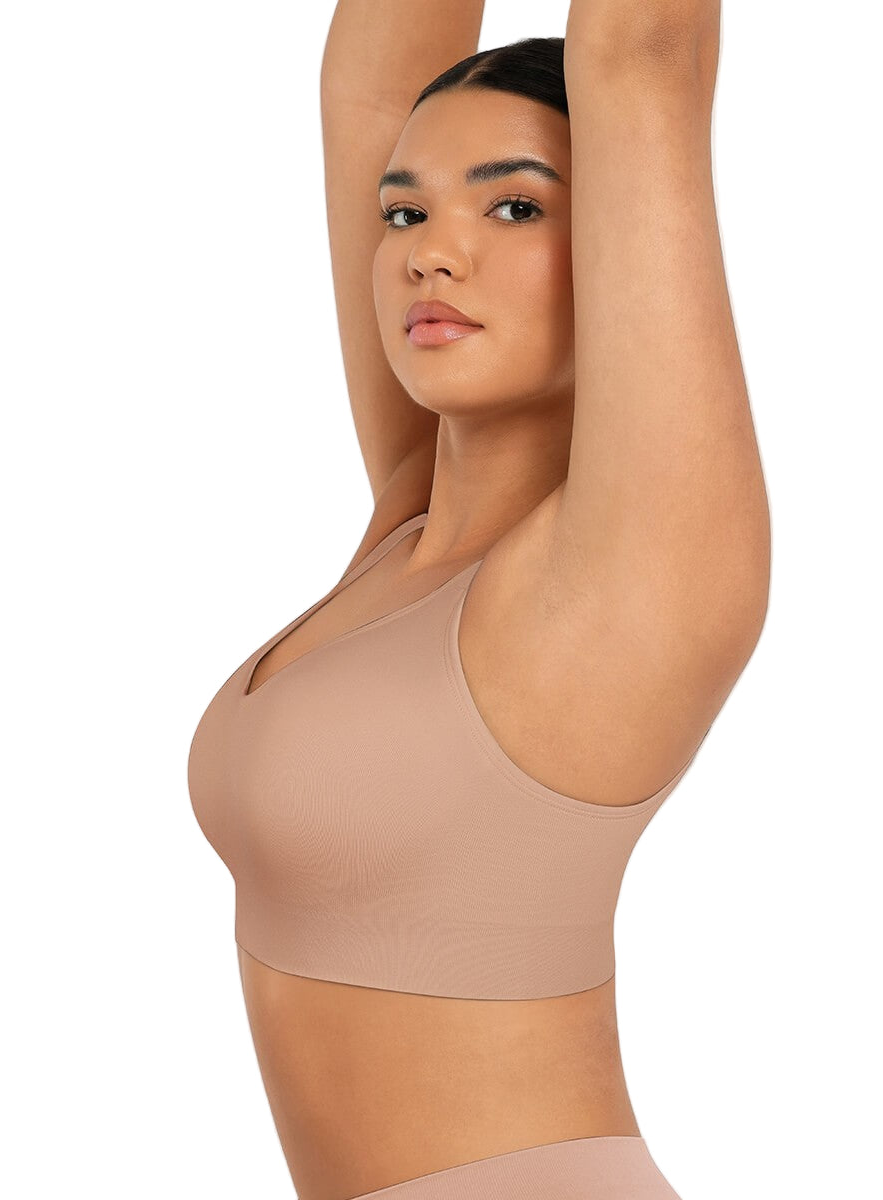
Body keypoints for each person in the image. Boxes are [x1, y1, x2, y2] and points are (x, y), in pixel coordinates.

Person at [188, 2, 771, 1196]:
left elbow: (642, 54)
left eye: (513, 207)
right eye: (406, 213)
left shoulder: (635, 579)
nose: (431, 253)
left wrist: (637, 87)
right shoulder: (408, 533)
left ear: (620, 236)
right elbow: (372, 80)